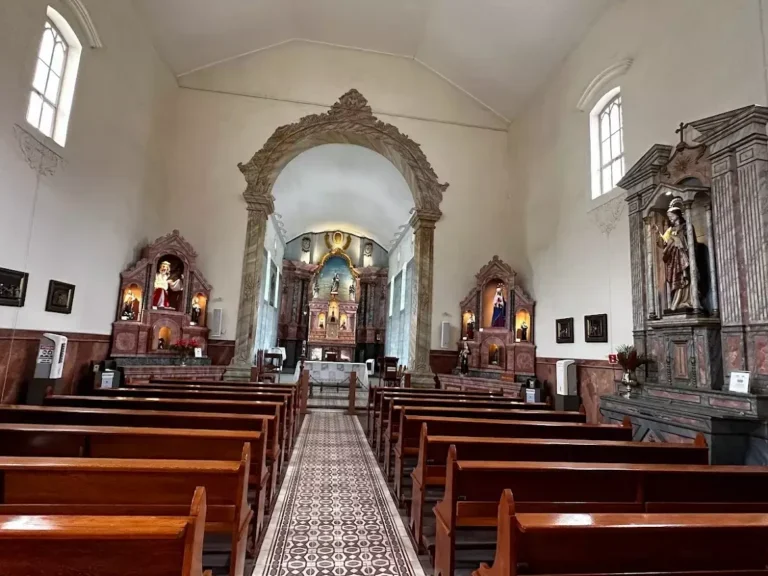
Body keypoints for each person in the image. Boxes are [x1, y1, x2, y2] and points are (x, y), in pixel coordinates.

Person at [652, 198, 693, 311]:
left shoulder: (685, 227)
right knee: (675, 278)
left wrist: (677, 240)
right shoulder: (670, 230)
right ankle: (676, 301)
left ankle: (686, 300)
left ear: (677, 215)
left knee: (684, 278)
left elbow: (690, 242)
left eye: (671, 216)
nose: (670, 218)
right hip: (673, 259)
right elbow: (663, 243)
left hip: (682, 256)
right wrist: (657, 233)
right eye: (669, 217)